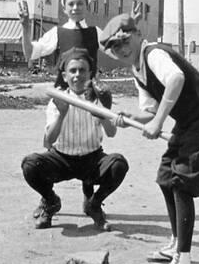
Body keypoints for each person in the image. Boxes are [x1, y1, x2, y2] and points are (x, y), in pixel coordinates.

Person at [100, 13, 199, 264]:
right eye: (115, 47)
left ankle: (183, 263)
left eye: (125, 40)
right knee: (166, 178)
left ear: (137, 35)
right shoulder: (136, 69)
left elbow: (176, 79)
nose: (122, 49)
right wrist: (126, 115)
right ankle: (176, 242)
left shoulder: (153, 54)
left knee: (180, 183)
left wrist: (157, 122)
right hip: (187, 121)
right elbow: (150, 110)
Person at [18, 0, 134, 201]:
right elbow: (30, 53)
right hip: (64, 94)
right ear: (64, 7)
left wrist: (130, 27)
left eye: (79, 3)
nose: (75, 8)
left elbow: (116, 51)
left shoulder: (95, 32)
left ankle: (90, 192)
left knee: (89, 141)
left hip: (91, 94)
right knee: (56, 140)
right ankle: (48, 199)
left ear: (86, 6)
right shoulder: (57, 32)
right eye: (70, 4)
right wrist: (25, 27)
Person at [21, 47, 129, 231]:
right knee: (30, 165)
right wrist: (62, 114)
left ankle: (94, 204)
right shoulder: (58, 100)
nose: (77, 75)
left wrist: (102, 115)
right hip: (62, 158)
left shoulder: (97, 100)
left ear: (90, 74)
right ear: (64, 76)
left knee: (119, 163)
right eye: (73, 71)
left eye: (82, 70)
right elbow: (48, 141)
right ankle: (50, 201)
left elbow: (111, 133)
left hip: (92, 159)